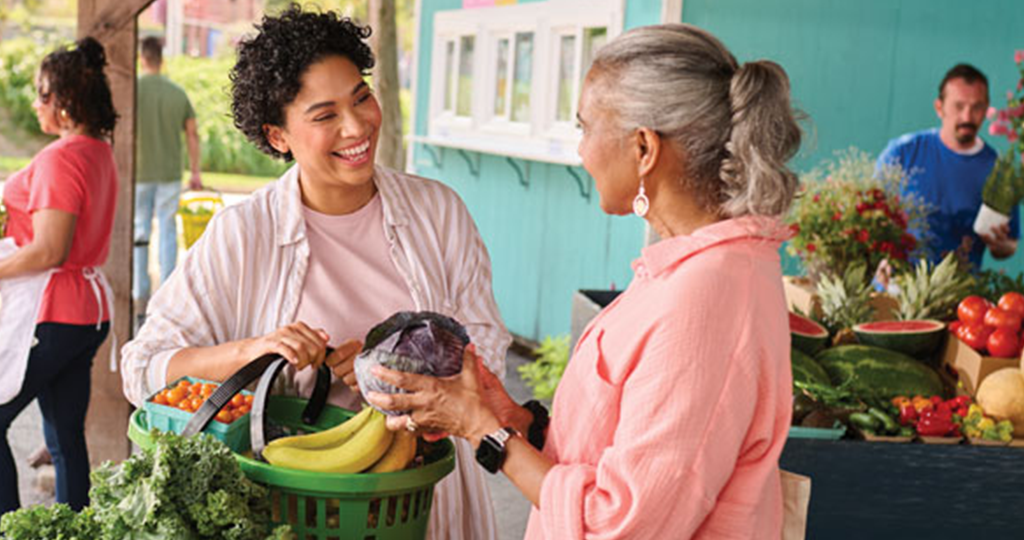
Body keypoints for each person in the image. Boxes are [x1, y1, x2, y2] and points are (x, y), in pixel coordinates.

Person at [367, 23, 801, 539]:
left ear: (643, 148)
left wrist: (483, 431)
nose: (581, 151)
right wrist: (515, 421)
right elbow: (629, 449)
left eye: (586, 127)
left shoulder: (706, 299)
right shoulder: (697, 270)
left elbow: (622, 524)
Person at [121, 7, 511, 540]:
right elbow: (140, 368)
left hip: (421, 508)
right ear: (277, 135)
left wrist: (395, 376)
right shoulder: (243, 234)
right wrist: (251, 353)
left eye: (361, 97)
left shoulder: (437, 213)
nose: (357, 127)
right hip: (291, 518)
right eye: (325, 115)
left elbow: (488, 351)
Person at [0, 37, 118, 514]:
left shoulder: (60, 159)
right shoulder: (97, 151)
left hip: (55, 313)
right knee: (65, 436)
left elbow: (50, 249)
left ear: (64, 102)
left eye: (42, 94)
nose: (36, 104)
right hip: (88, 315)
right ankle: (74, 528)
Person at [878, 63, 1018, 270]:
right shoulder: (903, 152)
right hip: (895, 289)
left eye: (977, 107)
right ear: (939, 107)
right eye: (959, 106)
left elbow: (1009, 245)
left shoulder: (1000, 171)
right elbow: (871, 220)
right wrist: (878, 260)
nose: (967, 117)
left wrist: (1001, 245)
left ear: (987, 108)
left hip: (963, 295)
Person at [133, 35, 202, 315]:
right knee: (167, 229)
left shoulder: (132, 91)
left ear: (142, 58)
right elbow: (192, 134)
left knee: (140, 229)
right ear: (161, 59)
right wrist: (195, 171)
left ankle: (140, 290)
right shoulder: (177, 93)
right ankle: (167, 291)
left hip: (138, 173)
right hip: (170, 173)